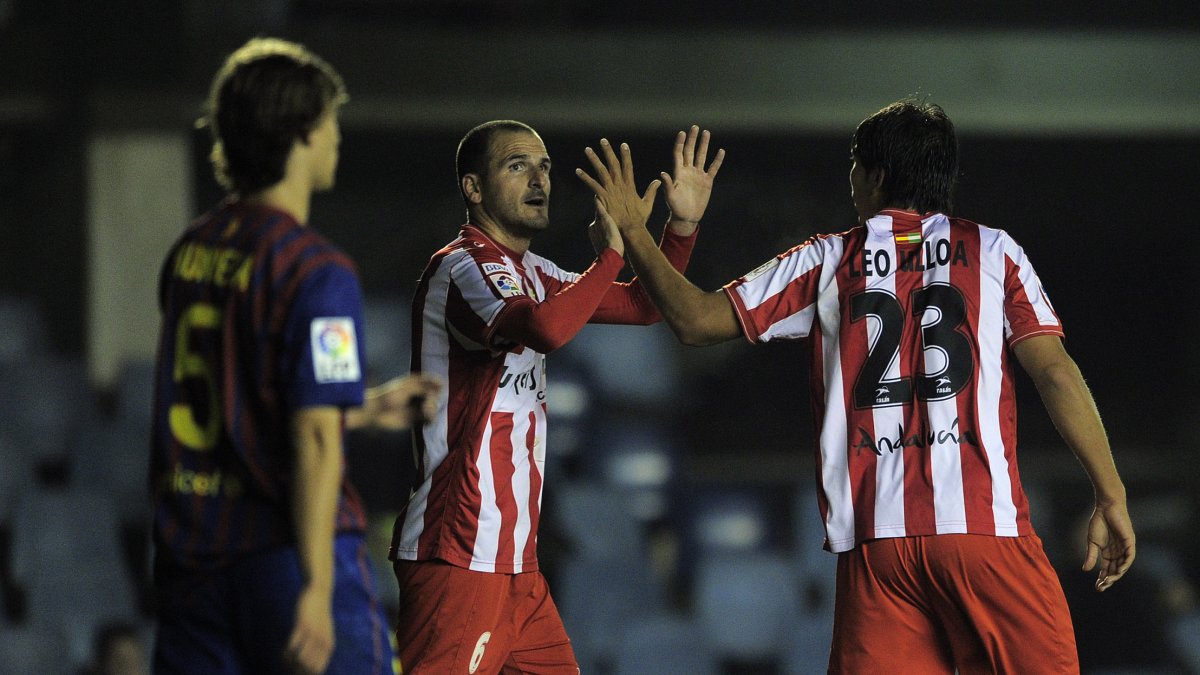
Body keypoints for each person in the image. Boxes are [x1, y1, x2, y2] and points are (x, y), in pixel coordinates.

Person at [578, 100, 1136, 674]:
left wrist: (641, 235)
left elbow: (695, 321)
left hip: (878, 550)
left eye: (853, 166)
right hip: (983, 536)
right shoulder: (996, 252)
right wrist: (1111, 493)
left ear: (874, 176)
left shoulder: (828, 259)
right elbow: (1055, 372)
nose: (850, 179)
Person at [388, 121, 723, 674]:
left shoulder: (532, 271)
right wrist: (610, 256)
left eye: (543, 166)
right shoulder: (462, 266)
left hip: (518, 567)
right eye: (516, 165)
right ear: (473, 189)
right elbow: (543, 329)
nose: (538, 178)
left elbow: (642, 306)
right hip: (459, 553)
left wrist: (678, 227)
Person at [150, 37, 437, 675]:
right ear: (301, 134)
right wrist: (313, 589)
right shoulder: (316, 270)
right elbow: (310, 437)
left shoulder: (191, 252)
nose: (337, 137)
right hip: (286, 555)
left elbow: (237, 398)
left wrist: (358, 408)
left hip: (192, 561)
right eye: (330, 122)